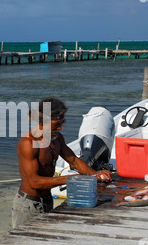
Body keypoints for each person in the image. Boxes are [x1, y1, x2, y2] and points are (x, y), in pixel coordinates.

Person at [12, 97, 112, 228]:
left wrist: (95, 175)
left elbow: (74, 161)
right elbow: (33, 182)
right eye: (56, 125)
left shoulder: (57, 139)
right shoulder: (28, 143)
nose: (59, 128)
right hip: (29, 204)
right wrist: (70, 179)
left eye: (62, 123)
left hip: (48, 200)